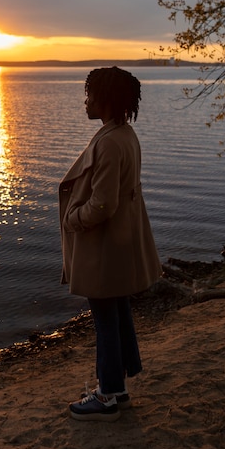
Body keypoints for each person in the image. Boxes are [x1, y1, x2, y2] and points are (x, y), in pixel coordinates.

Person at [59, 66, 162, 422]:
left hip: (104, 247)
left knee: (105, 320)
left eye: (89, 93)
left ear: (104, 97)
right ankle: (118, 389)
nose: (85, 100)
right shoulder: (125, 134)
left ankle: (107, 397)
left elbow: (104, 204)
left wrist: (73, 220)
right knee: (116, 315)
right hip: (120, 244)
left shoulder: (108, 142)